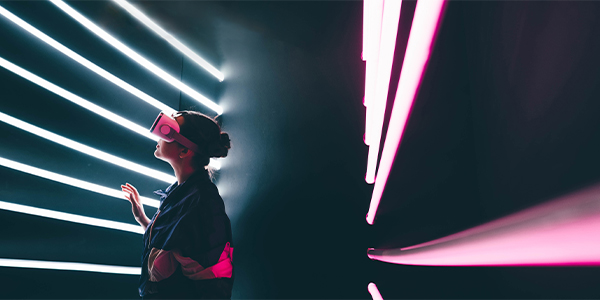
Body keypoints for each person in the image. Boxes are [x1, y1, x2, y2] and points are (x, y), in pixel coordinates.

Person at [121, 110, 233, 299]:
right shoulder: (178, 194)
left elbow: (214, 277)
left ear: (184, 150)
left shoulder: (205, 201)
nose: (157, 136)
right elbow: (175, 245)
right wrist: (144, 220)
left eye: (167, 131)